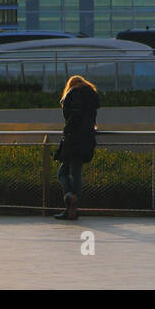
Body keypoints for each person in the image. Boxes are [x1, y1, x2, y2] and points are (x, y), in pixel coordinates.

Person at [52, 75, 99, 220]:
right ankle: (72, 208)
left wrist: (68, 129)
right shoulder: (92, 95)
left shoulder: (74, 93)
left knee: (63, 173)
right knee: (75, 172)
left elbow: (75, 115)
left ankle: (70, 198)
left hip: (74, 139)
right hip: (87, 138)